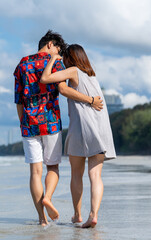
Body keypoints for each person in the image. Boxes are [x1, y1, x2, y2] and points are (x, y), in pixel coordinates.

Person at [13, 31, 103, 226]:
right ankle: (49, 198)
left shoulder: (21, 65)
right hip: (51, 121)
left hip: (28, 123)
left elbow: (18, 99)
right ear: (50, 44)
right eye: (59, 49)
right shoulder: (56, 63)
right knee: (52, 167)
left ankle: (42, 219)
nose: (60, 53)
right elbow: (63, 89)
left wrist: (23, 122)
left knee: (35, 172)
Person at [40, 44, 116, 228]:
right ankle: (94, 214)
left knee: (76, 174)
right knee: (96, 176)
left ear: (70, 58)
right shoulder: (92, 76)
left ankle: (78, 214)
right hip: (102, 127)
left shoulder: (73, 71)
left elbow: (45, 78)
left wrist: (52, 59)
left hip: (82, 127)